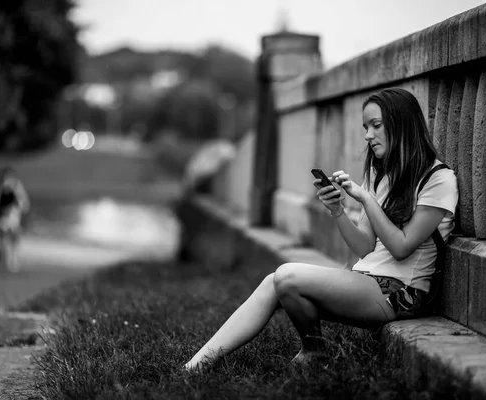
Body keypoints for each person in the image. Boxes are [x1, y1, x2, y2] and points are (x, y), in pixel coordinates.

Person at [183, 88, 459, 372]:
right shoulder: (381, 174)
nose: (367, 135)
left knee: (287, 276)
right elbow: (365, 246)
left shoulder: (438, 180)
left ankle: (313, 352)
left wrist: (365, 198)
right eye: (366, 127)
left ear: (402, 124)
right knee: (272, 282)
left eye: (376, 126)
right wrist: (338, 210)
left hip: (402, 293)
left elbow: (401, 248)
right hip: (370, 280)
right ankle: (196, 364)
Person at [0, 167, 31, 270]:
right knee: (1, 239)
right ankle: (1, 260)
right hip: (2, 216)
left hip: (13, 217)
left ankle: (13, 261)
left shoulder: (17, 187)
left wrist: (16, 209)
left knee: (13, 238)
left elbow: (24, 204)